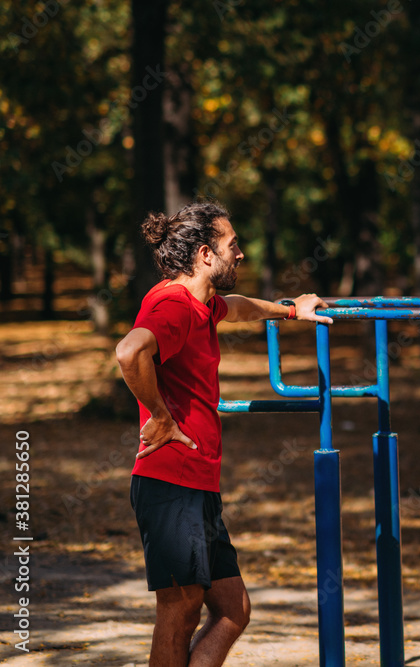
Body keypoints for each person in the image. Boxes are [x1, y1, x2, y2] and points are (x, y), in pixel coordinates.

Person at [116, 201, 332, 666]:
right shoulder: (174, 305)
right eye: (233, 245)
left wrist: (290, 310)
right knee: (180, 611)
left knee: (234, 610)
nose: (241, 253)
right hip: (170, 482)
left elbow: (235, 307)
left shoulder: (202, 303)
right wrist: (160, 415)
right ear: (205, 254)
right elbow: (130, 351)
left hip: (197, 484)